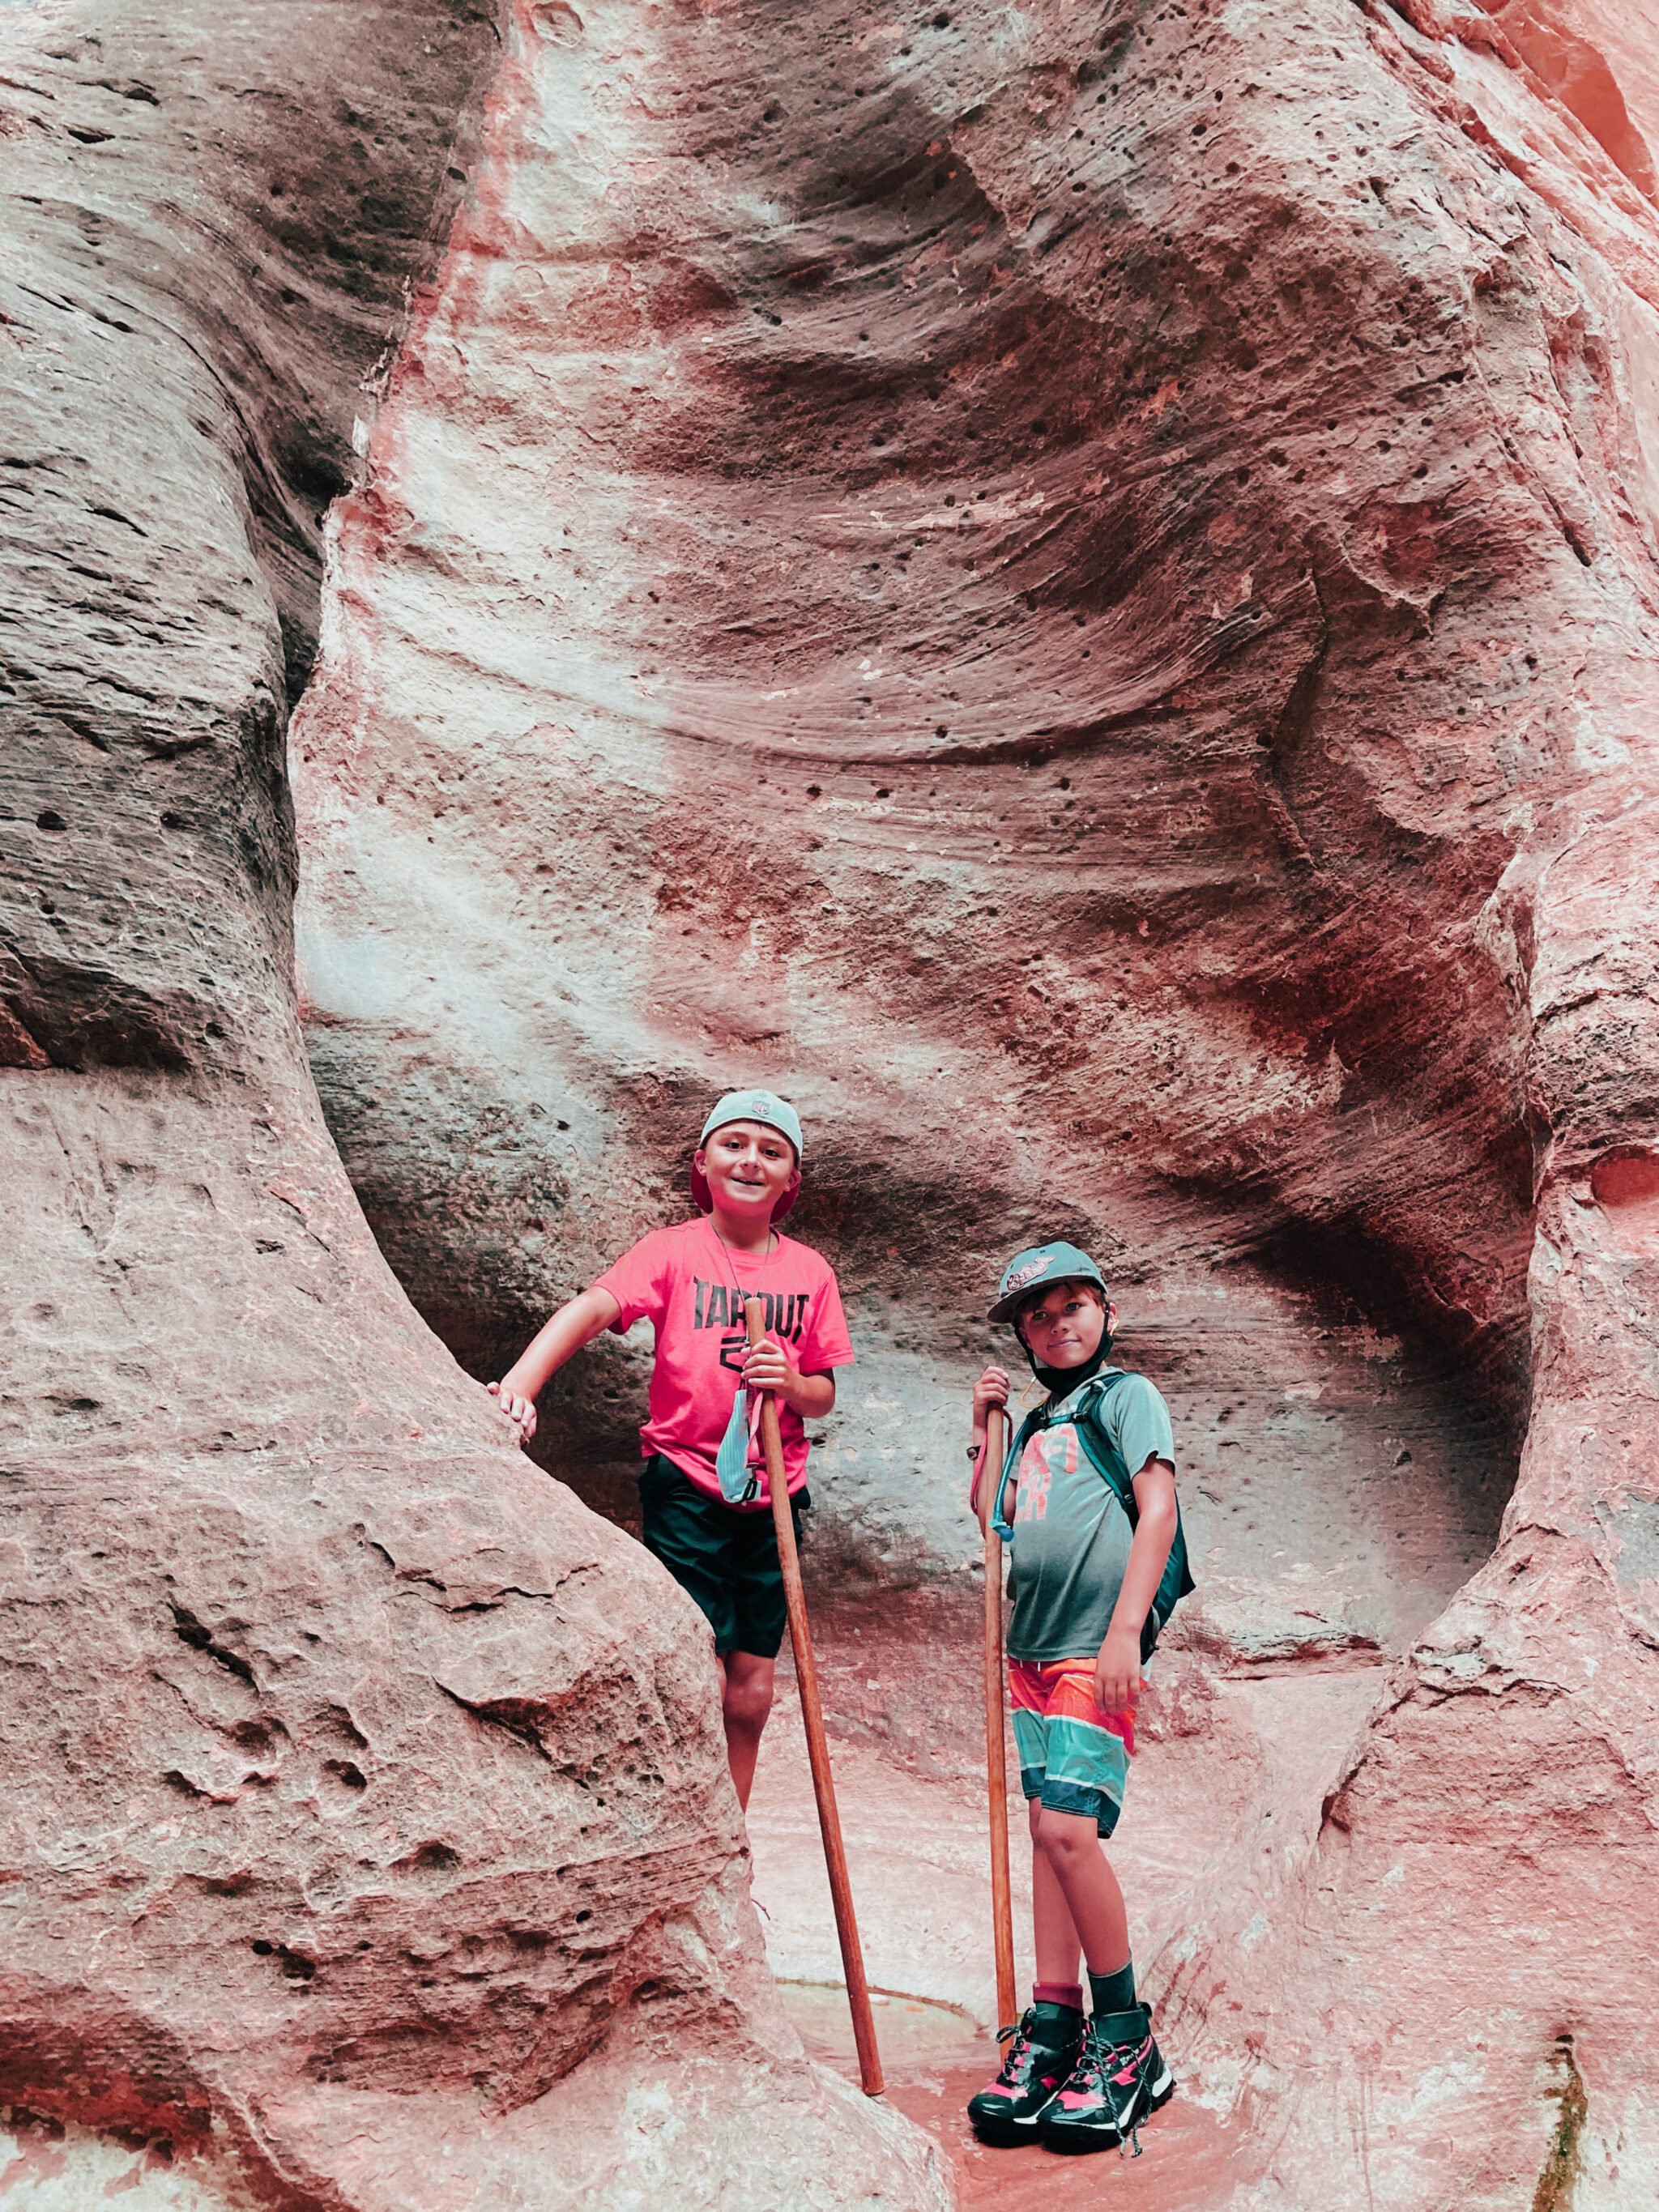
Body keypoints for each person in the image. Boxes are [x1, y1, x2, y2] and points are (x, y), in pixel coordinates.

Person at [488, 1089, 853, 1811]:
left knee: (751, 1690)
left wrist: (791, 1380)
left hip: (774, 1492)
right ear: (703, 1161)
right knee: (697, 1671)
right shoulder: (673, 1249)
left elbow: (823, 1393)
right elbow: (595, 1307)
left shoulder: (810, 1273)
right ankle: (684, 1823)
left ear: (792, 1181)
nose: (751, 1160)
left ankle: (731, 1839)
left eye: (771, 1151)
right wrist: (522, 1384)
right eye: (735, 1143)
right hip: (686, 1483)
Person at [965, 1240, 1180, 2154]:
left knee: (1066, 1832)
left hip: (1096, 1646)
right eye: (1038, 1315)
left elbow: (1158, 1506)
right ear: (1021, 1334)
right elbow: (989, 1519)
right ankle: (1052, 2029)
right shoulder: (1037, 1422)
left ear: (1107, 1311)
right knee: (1041, 1838)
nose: (1058, 1325)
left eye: (1072, 1306)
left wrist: (1128, 1630)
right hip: (1030, 1652)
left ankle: (1126, 2040)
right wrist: (986, 1430)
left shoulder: (1123, 1397)